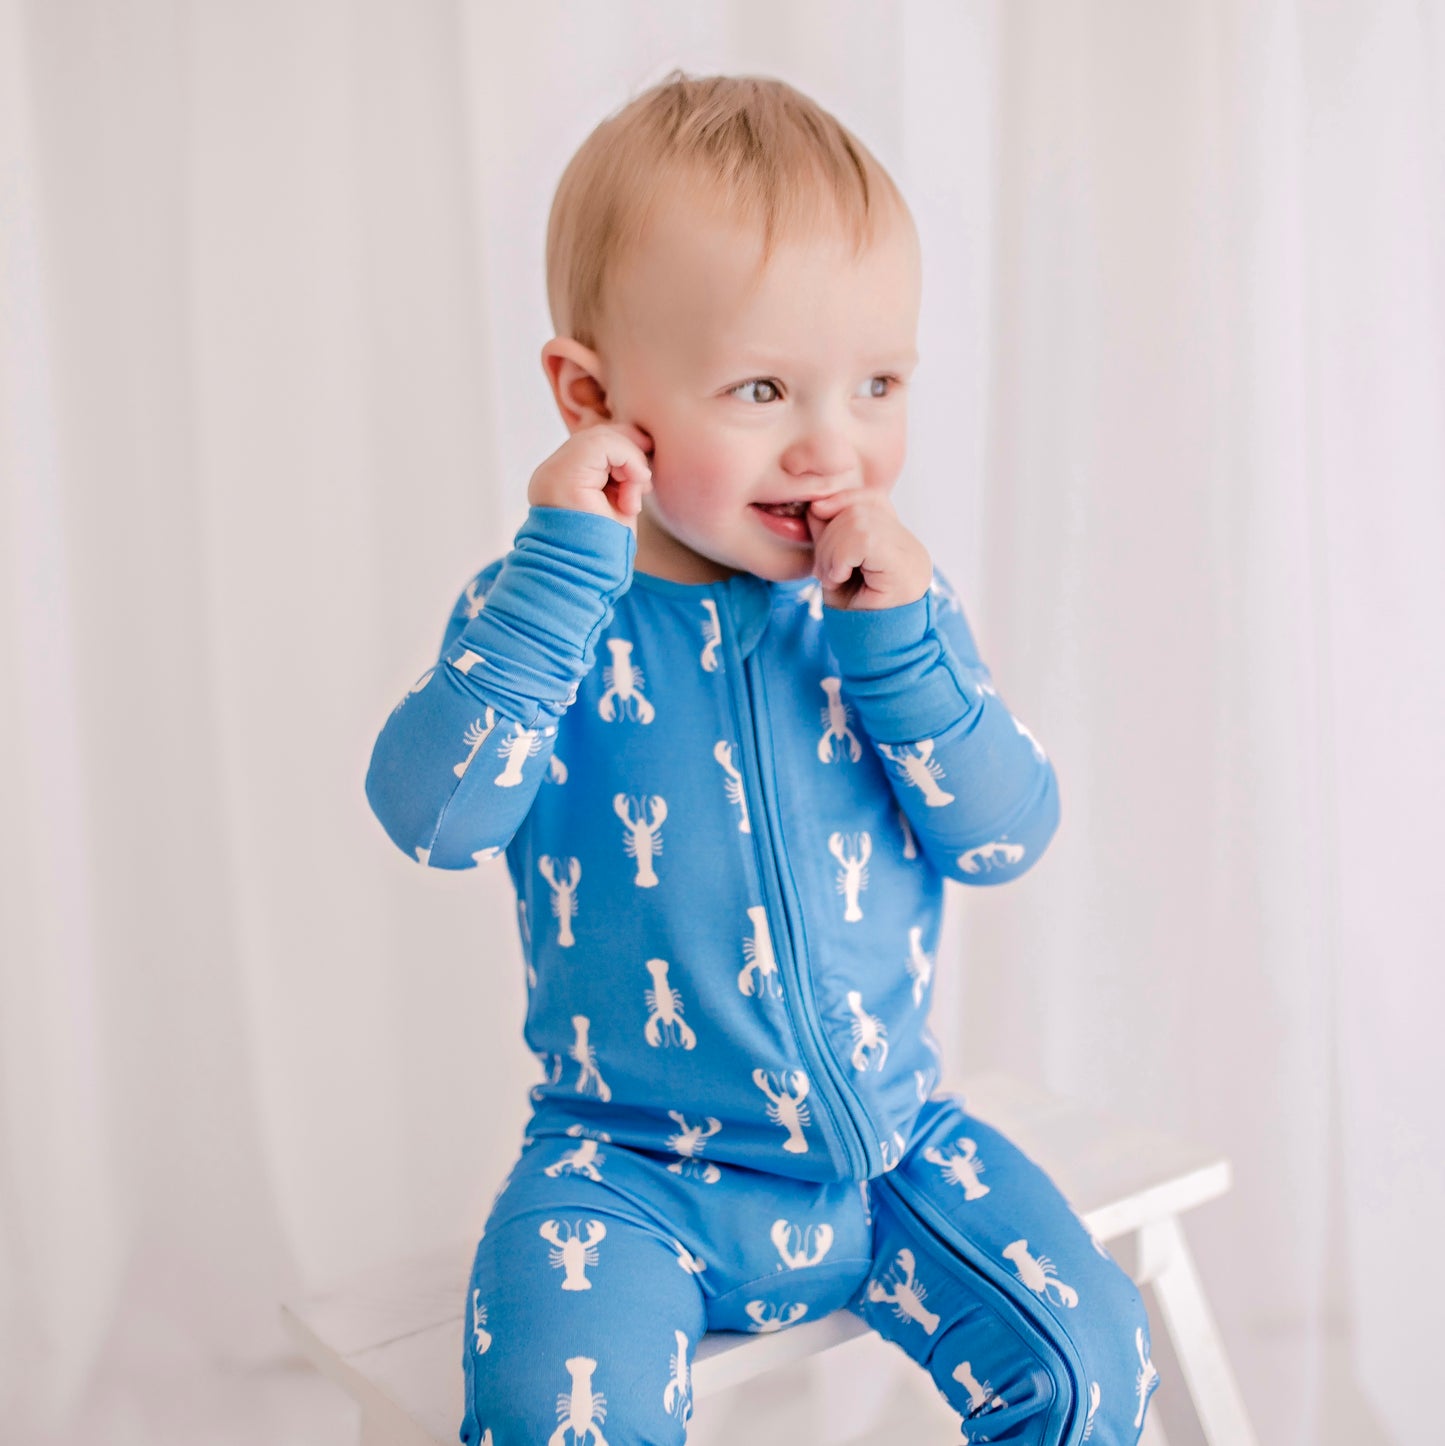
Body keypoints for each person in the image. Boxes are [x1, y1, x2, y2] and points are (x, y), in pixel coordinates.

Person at [365, 69, 1160, 1446]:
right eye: (760, 387)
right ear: (593, 395)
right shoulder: (544, 617)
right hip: (624, 1173)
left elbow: (1003, 834)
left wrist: (906, 649)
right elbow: (432, 814)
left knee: (1093, 1367)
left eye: (876, 384)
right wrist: (561, 575)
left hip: (894, 1152)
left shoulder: (882, 609)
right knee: (556, 1420)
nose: (829, 443)